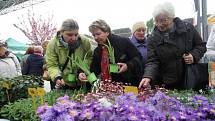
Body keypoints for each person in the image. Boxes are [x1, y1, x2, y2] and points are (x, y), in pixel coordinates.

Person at [139, 2, 206, 89]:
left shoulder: (188, 29)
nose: (159, 24)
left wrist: (193, 55)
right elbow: (152, 61)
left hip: (190, 78)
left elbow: (201, 46)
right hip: (167, 82)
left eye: (163, 20)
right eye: (156, 20)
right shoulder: (152, 38)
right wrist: (148, 76)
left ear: (172, 17)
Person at [88, 19, 143, 86]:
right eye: (94, 35)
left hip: (129, 84)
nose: (96, 37)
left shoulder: (123, 42)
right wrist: (87, 77)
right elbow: (94, 70)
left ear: (107, 32)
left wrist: (127, 65)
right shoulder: (98, 51)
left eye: (98, 34)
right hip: (109, 88)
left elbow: (138, 57)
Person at [46, 19, 93, 89]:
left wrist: (82, 71)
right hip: (64, 82)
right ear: (61, 32)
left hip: (83, 82)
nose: (74, 38)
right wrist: (57, 77)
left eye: (76, 34)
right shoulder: (53, 44)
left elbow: (89, 57)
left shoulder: (85, 41)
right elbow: (52, 65)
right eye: (69, 35)